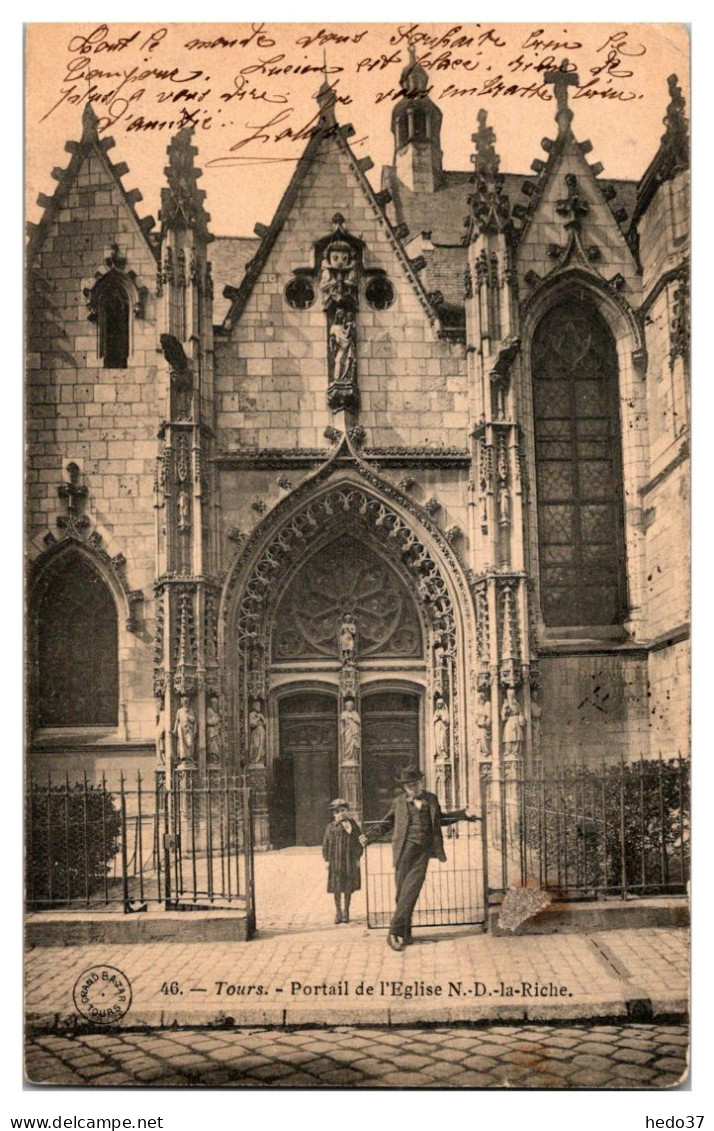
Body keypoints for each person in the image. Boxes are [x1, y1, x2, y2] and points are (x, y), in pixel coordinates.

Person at [360, 766, 476, 951]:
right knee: (401, 894)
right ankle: (405, 933)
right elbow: (387, 822)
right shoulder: (399, 802)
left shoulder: (431, 799)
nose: (412, 788)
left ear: (420, 782)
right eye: (408, 785)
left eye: (414, 784)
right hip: (404, 849)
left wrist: (463, 815)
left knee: (411, 890)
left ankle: (393, 933)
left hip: (423, 851)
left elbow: (440, 820)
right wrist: (369, 837)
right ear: (404, 787)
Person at [322, 798, 363, 924]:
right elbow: (326, 844)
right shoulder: (331, 827)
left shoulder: (353, 825)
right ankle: (338, 911)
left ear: (347, 811)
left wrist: (358, 858)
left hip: (349, 859)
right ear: (334, 814)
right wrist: (327, 860)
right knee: (337, 886)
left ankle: (346, 911)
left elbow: (359, 843)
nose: (340, 814)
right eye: (337, 812)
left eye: (343, 810)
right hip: (336, 861)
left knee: (348, 886)